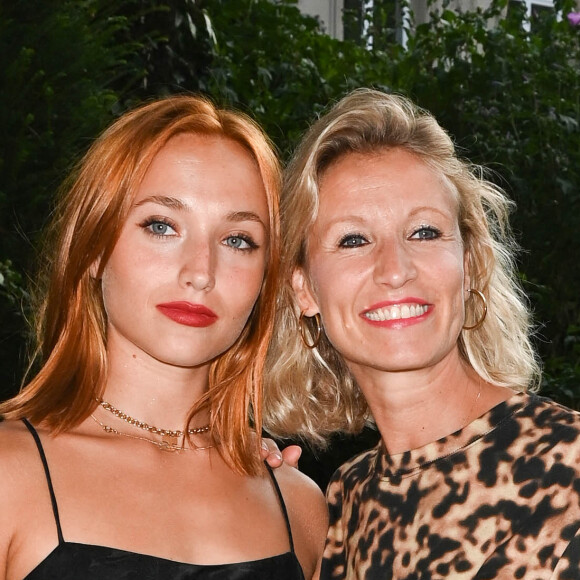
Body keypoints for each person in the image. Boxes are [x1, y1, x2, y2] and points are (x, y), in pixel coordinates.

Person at [0, 95, 327, 580]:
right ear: (93, 247)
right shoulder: (9, 473)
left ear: (266, 276)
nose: (201, 272)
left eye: (238, 240)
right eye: (161, 225)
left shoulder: (300, 507)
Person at [264, 88, 580, 579]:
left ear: (470, 265)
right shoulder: (347, 502)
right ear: (304, 290)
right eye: (353, 239)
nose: (395, 269)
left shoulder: (570, 464)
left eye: (425, 232)